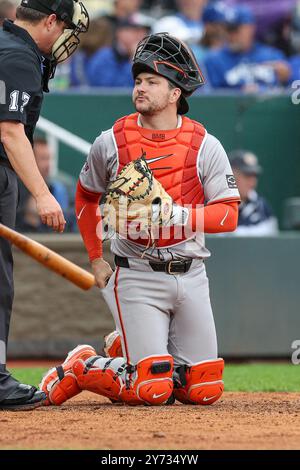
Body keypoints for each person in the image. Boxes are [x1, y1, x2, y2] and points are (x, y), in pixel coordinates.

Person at [41, 33, 241, 407]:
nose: (141, 88)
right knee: (151, 389)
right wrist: (95, 257)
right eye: (138, 80)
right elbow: (86, 196)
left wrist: (175, 214)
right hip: (136, 272)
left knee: (203, 389)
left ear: (175, 92)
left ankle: (123, 347)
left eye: (152, 81)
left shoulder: (205, 144)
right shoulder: (112, 140)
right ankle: (84, 366)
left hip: (192, 272)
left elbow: (228, 215)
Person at [0, 0, 89, 411]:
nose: (66, 38)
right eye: (66, 26)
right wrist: (42, 192)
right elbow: (10, 132)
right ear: (51, 21)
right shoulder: (18, 55)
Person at [205, 5, 291, 91]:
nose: (231, 35)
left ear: (251, 28)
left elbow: (291, 92)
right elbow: (211, 99)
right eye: (228, 30)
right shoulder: (214, 60)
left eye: (235, 29)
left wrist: (286, 79)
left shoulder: (273, 56)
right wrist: (241, 93)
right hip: (233, 104)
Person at [86, 18, 151, 87]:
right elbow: (112, 90)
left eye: (145, 31)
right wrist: (134, 60)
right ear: (120, 33)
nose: (141, 35)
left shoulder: (148, 56)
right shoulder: (104, 57)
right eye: (136, 31)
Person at [229, 150, 278, 236]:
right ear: (231, 175)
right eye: (247, 175)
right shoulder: (212, 203)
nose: (252, 182)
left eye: (255, 176)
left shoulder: (263, 206)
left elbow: (272, 238)